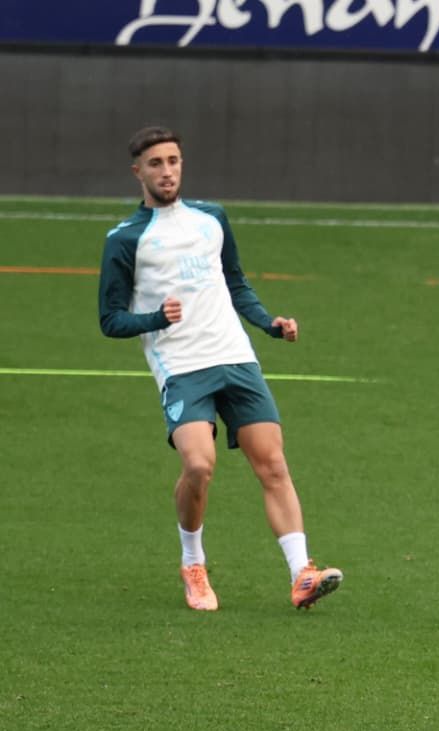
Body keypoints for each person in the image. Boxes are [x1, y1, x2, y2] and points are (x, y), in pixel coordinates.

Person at [98, 125, 342, 612]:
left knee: (273, 464)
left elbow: (235, 282)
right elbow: (110, 319)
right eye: (156, 164)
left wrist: (269, 324)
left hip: (235, 357)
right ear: (138, 172)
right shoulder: (125, 239)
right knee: (198, 465)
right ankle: (193, 563)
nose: (167, 171)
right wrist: (152, 319)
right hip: (183, 367)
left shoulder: (212, 218)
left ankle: (302, 574)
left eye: (173, 161)